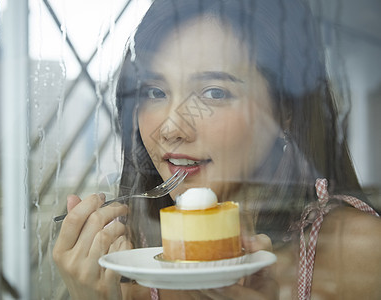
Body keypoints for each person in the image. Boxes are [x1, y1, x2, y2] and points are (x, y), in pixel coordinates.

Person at [52, 0, 381, 299]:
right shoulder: (127, 261)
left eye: (214, 93)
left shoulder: (358, 251)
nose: (170, 129)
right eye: (154, 91)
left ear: (285, 110)